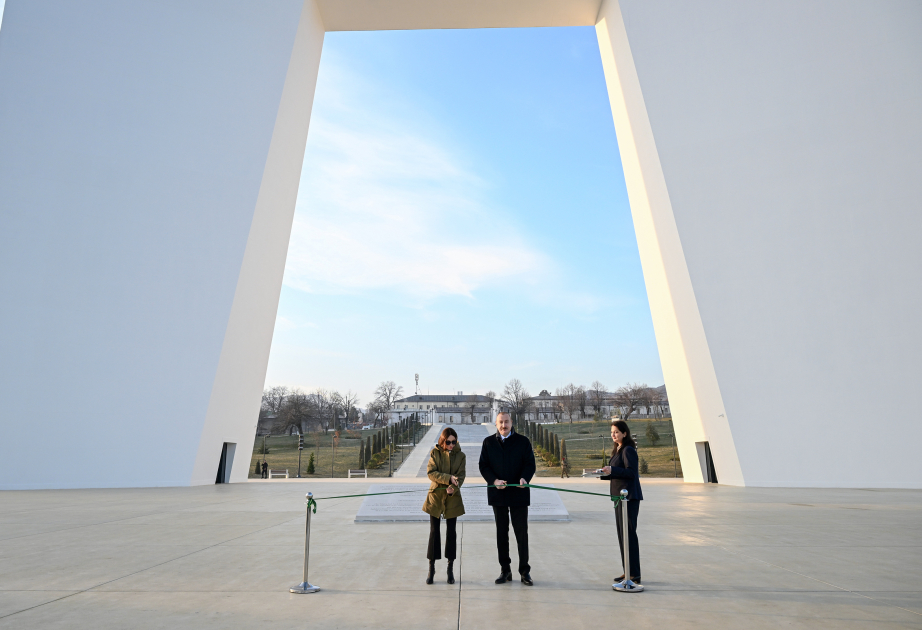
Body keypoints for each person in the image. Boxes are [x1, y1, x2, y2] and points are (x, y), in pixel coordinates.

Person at [478, 411, 536, 586]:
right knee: (501, 534)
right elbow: (483, 465)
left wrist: (525, 478)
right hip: (499, 494)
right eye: (501, 422)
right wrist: (494, 480)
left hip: (519, 493)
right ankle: (505, 570)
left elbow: (530, 464)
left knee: (521, 534)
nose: (504, 425)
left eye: (507, 422)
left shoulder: (523, 442)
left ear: (512, 422)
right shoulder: (488, 442)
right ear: (496, 424)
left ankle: (525, 571)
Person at [599, 419, 643, 584]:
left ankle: (634, 574)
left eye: (616, 432)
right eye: (612, 432)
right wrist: (604, 473)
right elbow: (618, 473)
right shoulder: (617, 450)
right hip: (619, 498)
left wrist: (613, 470)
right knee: (622, 535)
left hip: (629, 498)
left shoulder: (628, 450)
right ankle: (628, 571)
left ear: (625, 433)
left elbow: (631, 473)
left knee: (629, 534)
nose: (613, 435)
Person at [422, 427, 465, 585]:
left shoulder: (461, 456)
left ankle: (450, 568)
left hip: (452, 498)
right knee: (434, 532)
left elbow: (461, 476)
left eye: (454, 442)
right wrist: (447, 479)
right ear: (442, 441)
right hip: (435, 497)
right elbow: (430, 472)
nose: (451, 445)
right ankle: (431, 568)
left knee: (451, 533)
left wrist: (452, 488)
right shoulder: (435, 453)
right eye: (448, 442)